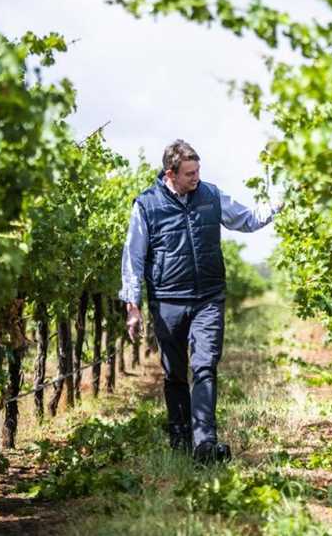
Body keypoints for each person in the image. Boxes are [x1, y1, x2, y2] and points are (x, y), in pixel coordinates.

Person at [119, 139, 283, 463]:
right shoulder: (147, 206)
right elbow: (133, 258)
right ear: (171, 173)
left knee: (205, 366)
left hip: (208, 296)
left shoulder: (210, 195)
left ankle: (205, 444)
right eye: (190, 173)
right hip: (168, 301)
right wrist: (133, 305)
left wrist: (277, 205)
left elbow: (247, 219)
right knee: (175, 373)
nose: (196, 178)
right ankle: (179, 436)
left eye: (198, 171)